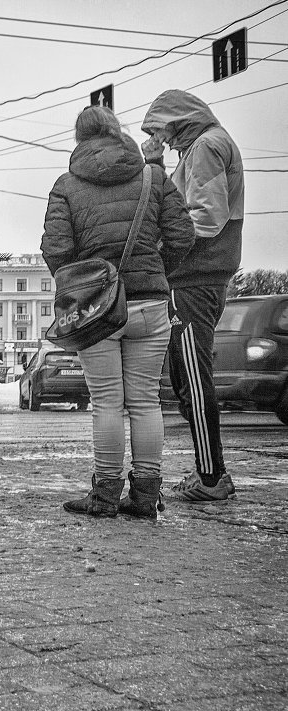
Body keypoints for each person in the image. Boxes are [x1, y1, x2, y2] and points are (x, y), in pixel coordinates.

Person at [42, 105, 195, 518]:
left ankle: (105, 495)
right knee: (145, 401)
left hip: (96, 309)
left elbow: (55, 249)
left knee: (107, 401)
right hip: (150, 303)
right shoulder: (153, 176)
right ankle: (146, 497)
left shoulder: (67, 185)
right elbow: (183, 235)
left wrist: (81, 284)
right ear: (117, 132)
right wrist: (157, 271)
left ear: (80, 140)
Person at [141, 90, 244, 502]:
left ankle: (213, 477)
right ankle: (210, 471)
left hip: (195, 276)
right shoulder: (203, 147)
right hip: (199, 275)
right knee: (186, 375)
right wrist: (158, 165)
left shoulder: (205, 147)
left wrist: (164, 249)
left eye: (161, 131)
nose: (162, 140)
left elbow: (206, 216)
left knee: (194, 378)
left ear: (178, 119)